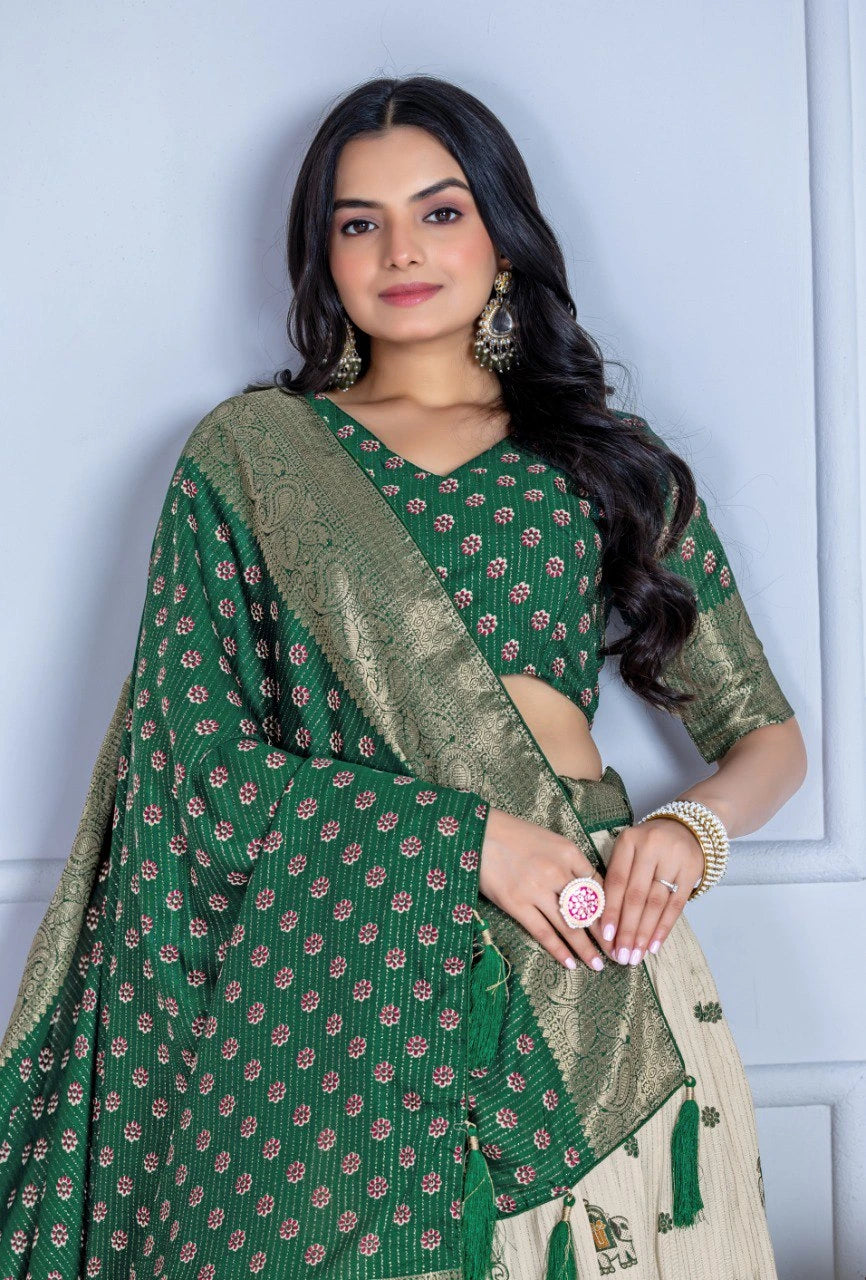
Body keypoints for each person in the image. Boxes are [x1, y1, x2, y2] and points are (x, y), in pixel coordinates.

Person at [0, 74, 806, 1280]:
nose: (399, 249)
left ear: (501, 230)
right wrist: (462, 836)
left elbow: (767, 738)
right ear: (320, 255)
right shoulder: (252, 457)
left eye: (438, 211)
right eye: (356, 221)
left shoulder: (610, 465)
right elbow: (197, 764)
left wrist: (690, 827)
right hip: (340, 982)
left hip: (588, 962)